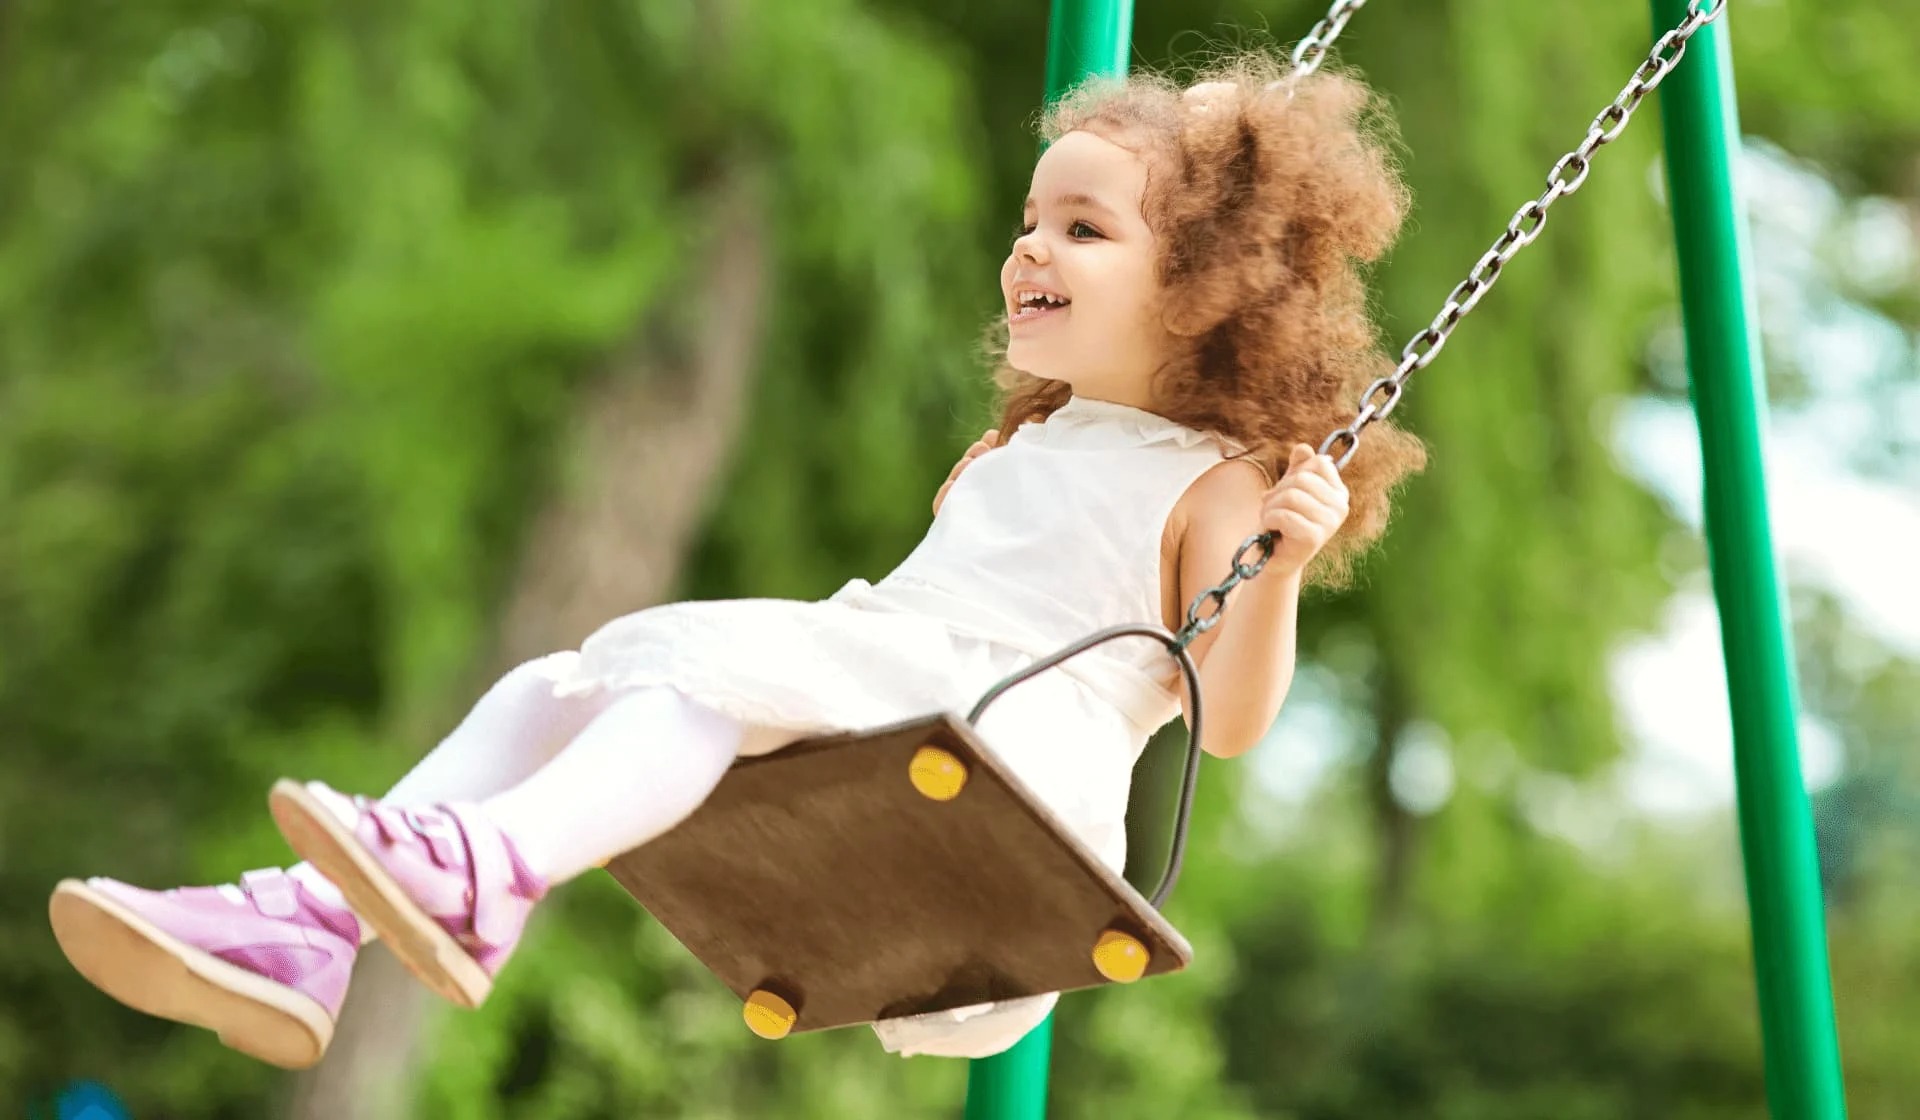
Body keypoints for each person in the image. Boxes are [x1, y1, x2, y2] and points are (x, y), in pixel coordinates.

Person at [47, 54, 1425, 1070]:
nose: (1028, 247)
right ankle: (306, 932)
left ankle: (481, 875)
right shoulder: (1015, 455)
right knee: (559, 683)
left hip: (1011, 778)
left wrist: (1286, 561)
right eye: (1029, 218)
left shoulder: (1223, 483)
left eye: (1083, 227)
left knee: (690, 679)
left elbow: (1231, 723)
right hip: (910, 713)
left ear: (1200, 290)